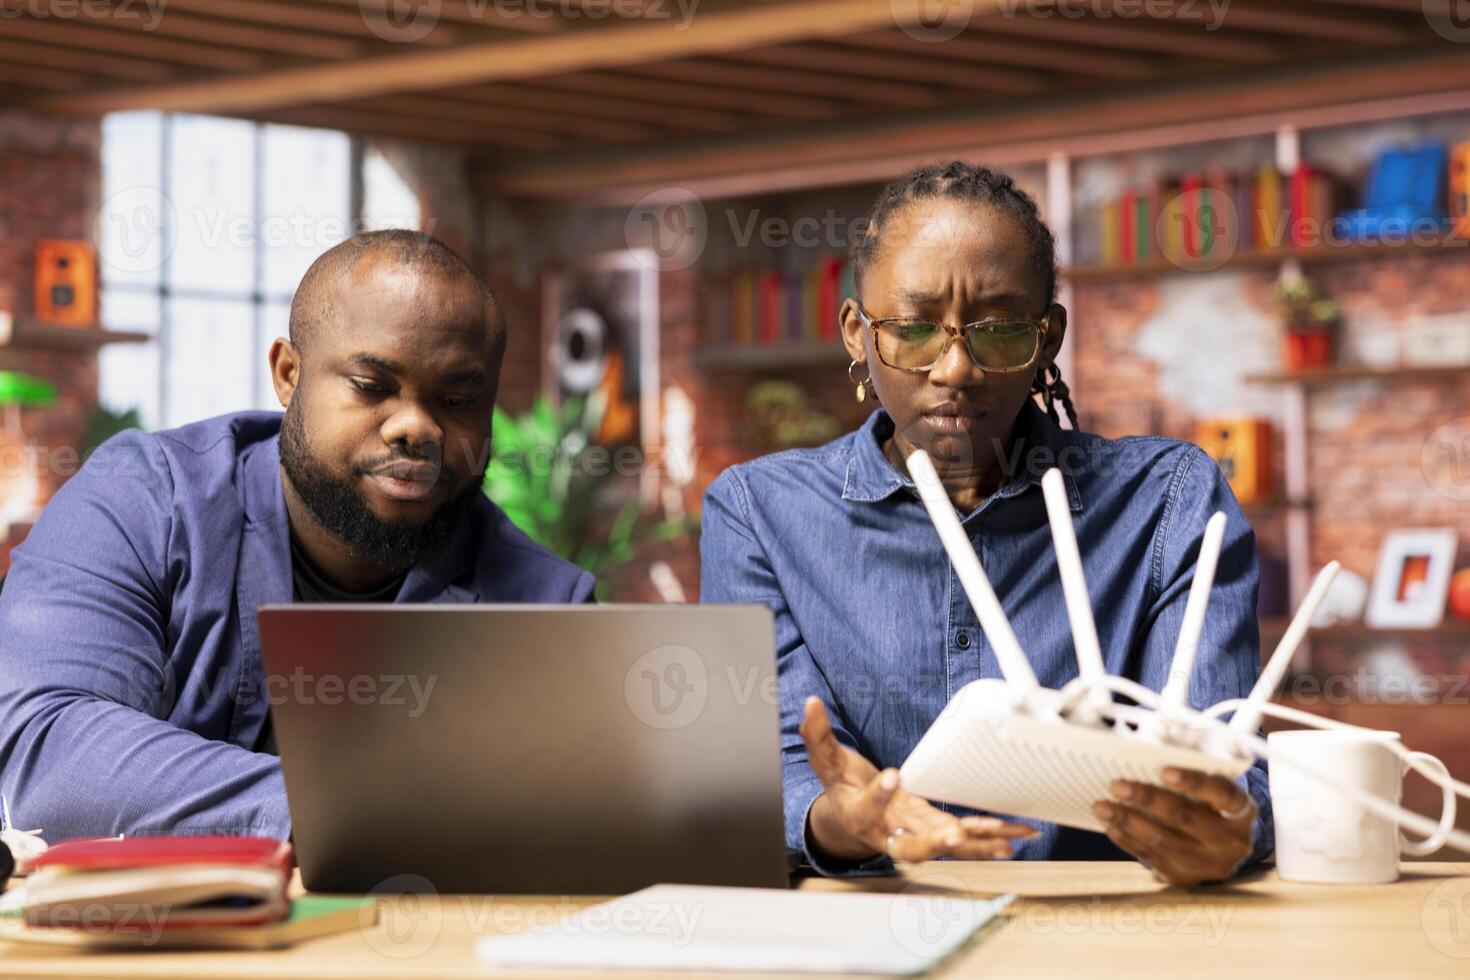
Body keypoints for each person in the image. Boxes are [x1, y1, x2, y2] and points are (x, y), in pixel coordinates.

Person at [701, 163, 1271, 884]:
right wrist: (841, 817)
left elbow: (1221, 762)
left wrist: (1224, 827)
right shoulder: (760, 513)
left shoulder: (1166, 502)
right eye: (912, 330)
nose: (957, 368)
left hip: (1119, 936)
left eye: (1000, 332)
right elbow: (784, 764)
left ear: (1049, 337)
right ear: (856, 333)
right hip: (873, 934)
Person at [0, 231, 594, 842]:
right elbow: (44, 753)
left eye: (459, 399)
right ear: (288, 374)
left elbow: (586, 821)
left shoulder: (545, 603)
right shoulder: (140, 504)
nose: (417, 426)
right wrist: (335, 810)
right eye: (371, 385)